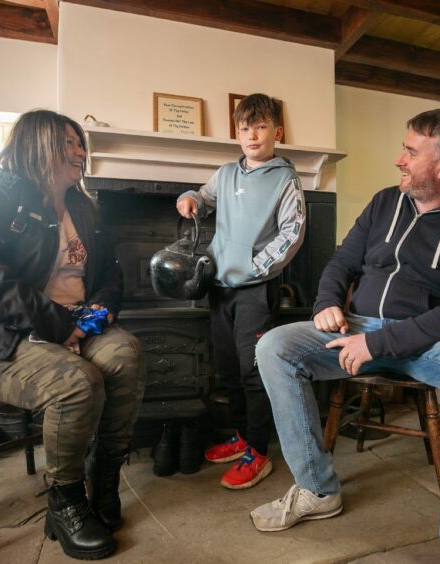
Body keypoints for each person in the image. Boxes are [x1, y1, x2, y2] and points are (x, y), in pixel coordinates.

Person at [251, 108, 440, 564]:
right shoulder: (383, 203)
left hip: (433, 342)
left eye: (411, 152)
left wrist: (377, 345)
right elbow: (341, 263)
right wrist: (327, 303)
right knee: (274, 346)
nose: (399, 159)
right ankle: (317, 490)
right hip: (358, 327)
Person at [0, 110, 145, 560]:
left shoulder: (83, 206)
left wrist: (99, 312)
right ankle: (66, 500)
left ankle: (104, 479)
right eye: (69, 143)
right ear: (38, 144)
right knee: (76, 382)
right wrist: (59, 324)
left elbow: (110, 272)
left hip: (72, 324)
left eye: (81, 144)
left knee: (125, 355)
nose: (80, 152)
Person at [176, 93, 306, 489]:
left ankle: (259, 450)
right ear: (237, 134)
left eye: (261, 126)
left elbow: (293, 232)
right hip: (219, 287)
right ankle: (241, 436)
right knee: (228, 370)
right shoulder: (226, 174)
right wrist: (189, 199)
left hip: (254, 291)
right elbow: (204, 197)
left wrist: (256, 267)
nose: (253, 134)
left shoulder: (286, 180)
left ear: (276, 132)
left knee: (253, 373)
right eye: (245, 128)